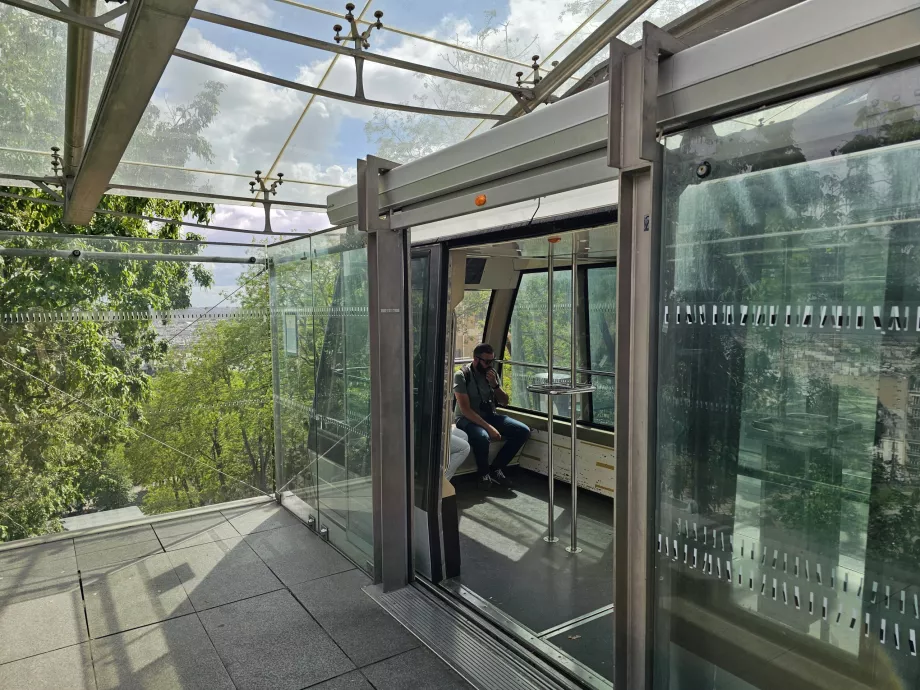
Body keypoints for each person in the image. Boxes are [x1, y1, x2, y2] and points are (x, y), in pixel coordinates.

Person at [454, 343, 531, 490]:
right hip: (467, 418)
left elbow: (505, 402)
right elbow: (465, 410)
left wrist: (495, 385)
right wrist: (489, 428)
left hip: (489, 414)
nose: (490, 365)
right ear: (476, 360)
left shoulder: (492, 375)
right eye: (487, 361)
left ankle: (497, 468)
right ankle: (483, 475)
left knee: (523, 431)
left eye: (492, 361)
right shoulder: (462, 375)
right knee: (482, 436)